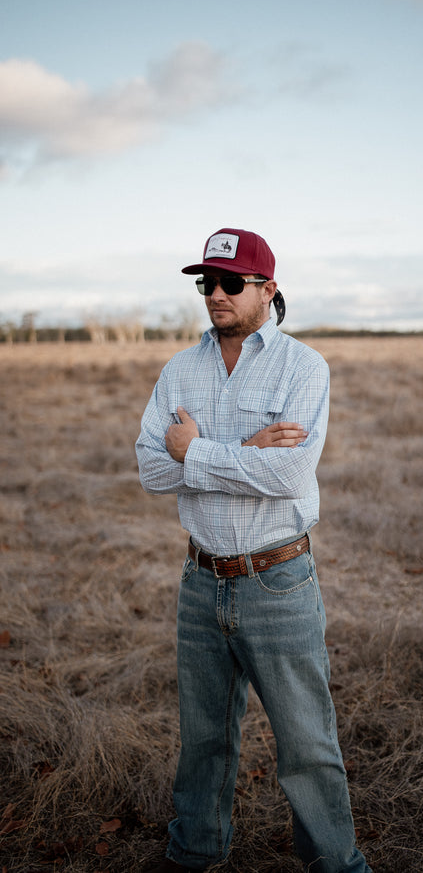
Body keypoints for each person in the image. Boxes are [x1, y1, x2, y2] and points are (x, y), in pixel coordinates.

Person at [136, 227, 371, 873]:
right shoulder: (179, 370)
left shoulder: (303, 368)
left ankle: (335, 864)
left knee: (307, 743)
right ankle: (195, 852)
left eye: (230, 283)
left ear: (268, 290)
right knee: (204, 739)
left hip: (278, 581)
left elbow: (288, 477)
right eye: (205, 282)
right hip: (201, 580)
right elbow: (149, 472)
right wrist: (241, 454)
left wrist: (194, 450)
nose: (215, 294)